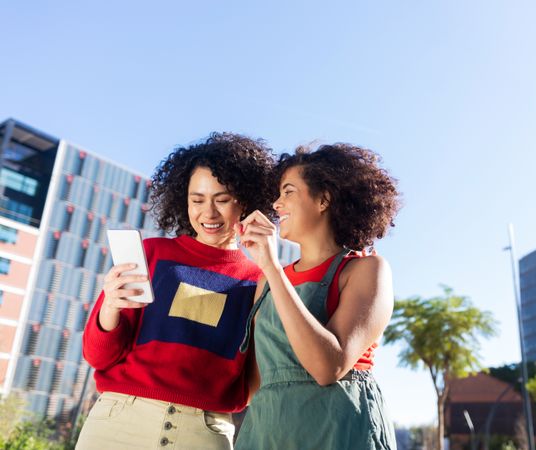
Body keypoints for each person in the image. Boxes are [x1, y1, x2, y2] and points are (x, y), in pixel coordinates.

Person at [76, 133, 275, 450]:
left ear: (246, 202)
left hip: (202, 433)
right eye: (197, 200)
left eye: (221, 199)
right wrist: (110, 307)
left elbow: (253, 383)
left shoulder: (260, 281)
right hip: (117, 423)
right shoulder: (151, 254)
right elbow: (97, 357)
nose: (208, 213)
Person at [235, 143, 401, 450]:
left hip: (339, 432)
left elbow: (328, 367)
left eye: (288, 192)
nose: (277, 204)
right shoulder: (267, 282)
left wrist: (272, 267)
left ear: (323, 199)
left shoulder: (366, 270)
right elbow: (253, 387)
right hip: (267, 434)